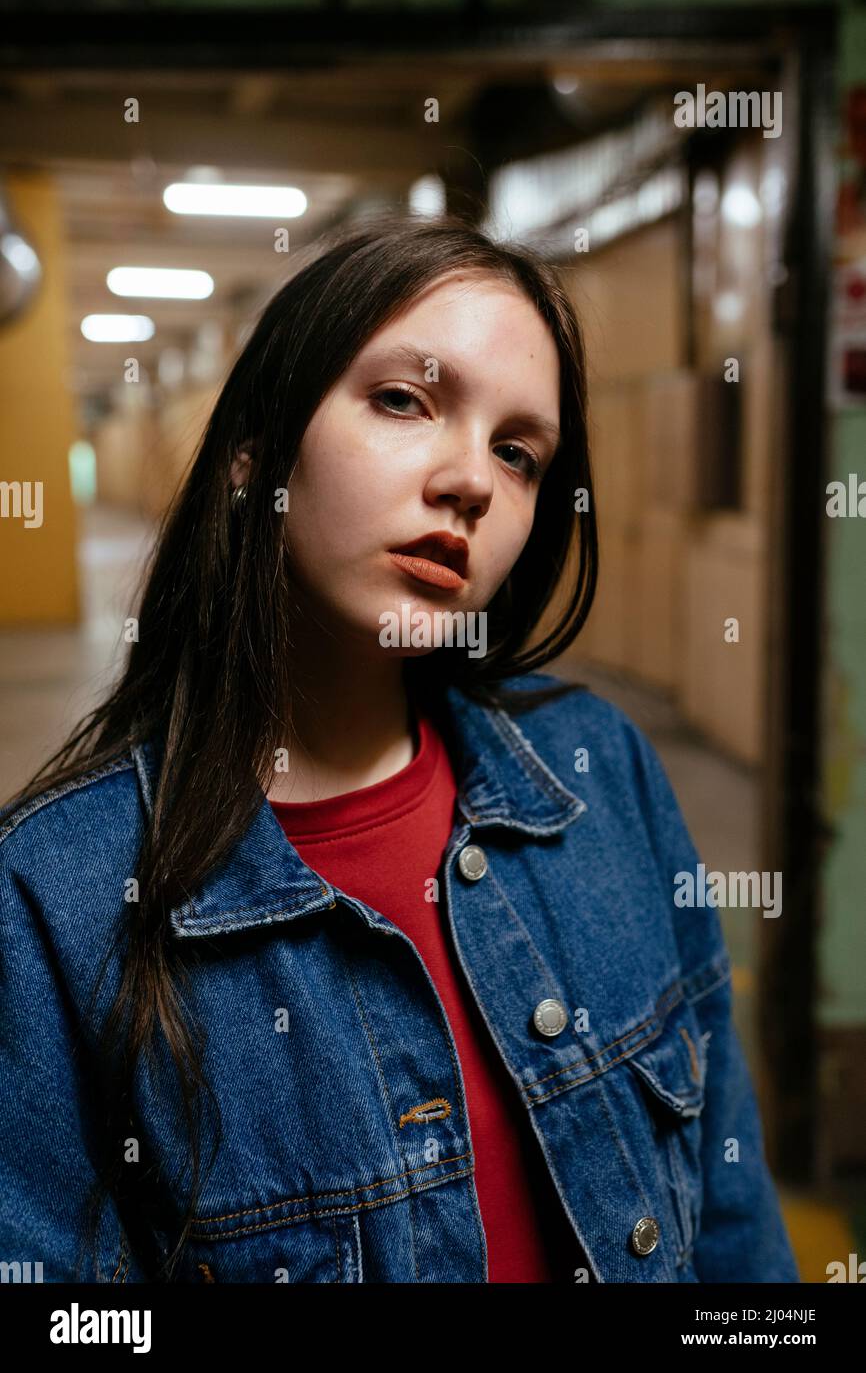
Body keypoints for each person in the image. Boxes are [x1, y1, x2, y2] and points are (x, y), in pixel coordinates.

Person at [0, 212, 799, 1284]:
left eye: (518, 454)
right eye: (403, 400)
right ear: (252, 454)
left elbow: (732, 1222)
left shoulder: (597, 770)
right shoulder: (56, 896)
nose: (471, 480)